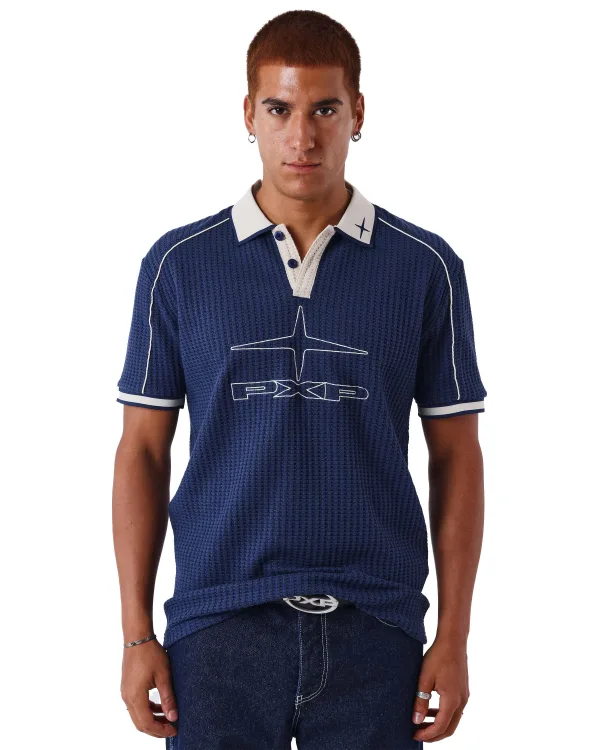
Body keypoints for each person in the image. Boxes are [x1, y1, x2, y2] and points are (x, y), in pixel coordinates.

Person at [113, 9, 487, 749]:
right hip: (216, 630)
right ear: (248, 114)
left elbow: (457, 457)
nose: (302, 137)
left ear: (358, 114)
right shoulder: (178, 265)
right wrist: (135, 636)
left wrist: (454, 637)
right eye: (280, 109)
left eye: (325, 109)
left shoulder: (426, 267)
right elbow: (142, 453)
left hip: (377, 631)